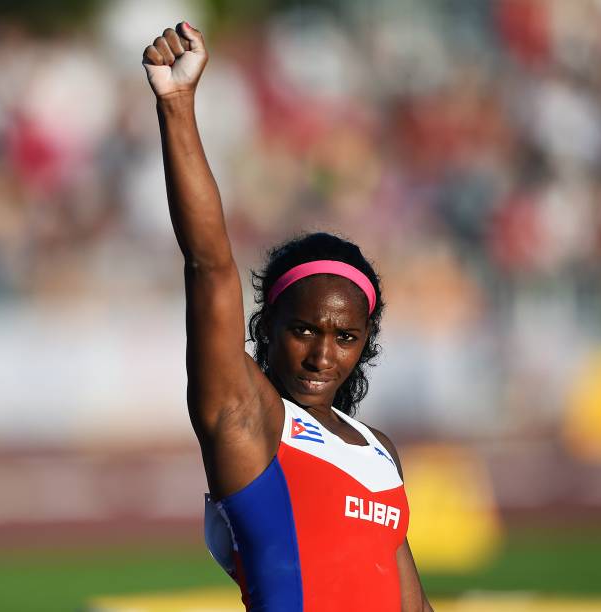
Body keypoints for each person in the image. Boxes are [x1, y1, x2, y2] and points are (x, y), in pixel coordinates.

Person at [142, 22, 434, 611]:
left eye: (345, 337)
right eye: (304, 329)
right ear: (266, 325)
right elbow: (209, 264)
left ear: (366, 342)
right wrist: (177, 105)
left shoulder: (379, 452)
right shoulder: (248, 418)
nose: (323, 355)